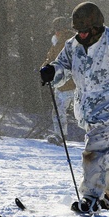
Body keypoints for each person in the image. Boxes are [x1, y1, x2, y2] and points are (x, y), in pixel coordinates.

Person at [39, 2, 109, 213]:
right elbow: (62, 66)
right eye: (78, 31)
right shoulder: (73, 45)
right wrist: (52, 72)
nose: (81, 35)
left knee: (93, 152)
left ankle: (90, 197)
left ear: (96, 27)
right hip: (86, 110)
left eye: (85, 31)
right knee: (102, 152)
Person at [42, 16, 77, 145]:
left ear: (64, 29)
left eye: (58, 29)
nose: (56, 32)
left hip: (72, 84)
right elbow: (50, 58)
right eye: (55, 29)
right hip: (64, 85)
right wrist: (45, 68)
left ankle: (99, 137)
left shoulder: (70, 43)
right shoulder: (58, 43)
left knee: (65, 111)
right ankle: (60, 135)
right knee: (58, 111)